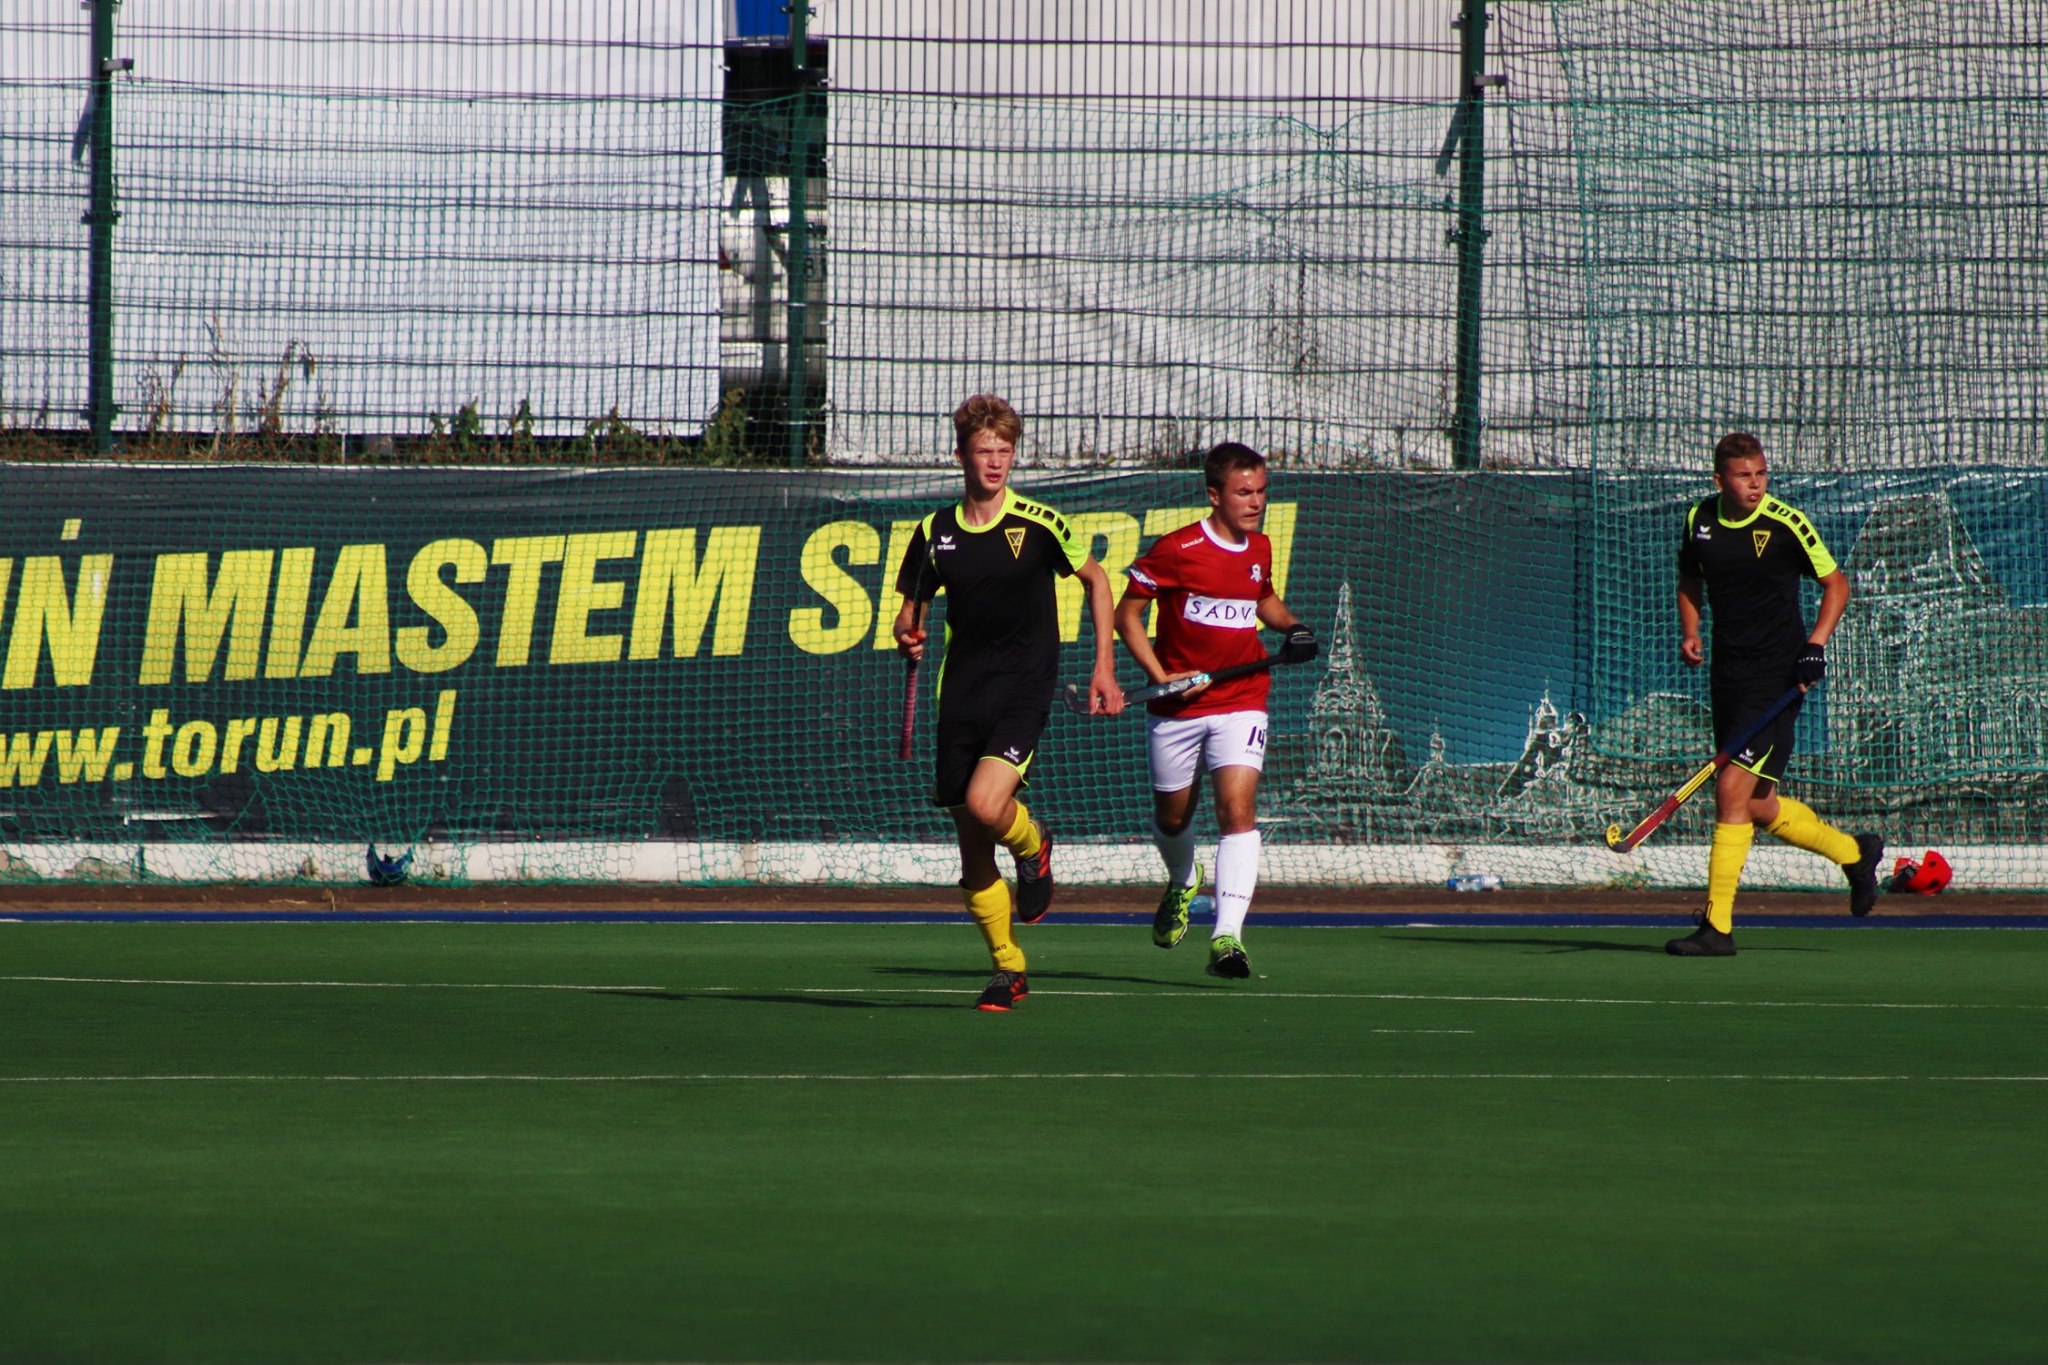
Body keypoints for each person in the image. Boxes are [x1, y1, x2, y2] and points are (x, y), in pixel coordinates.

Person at [892, 394, 1124, 1010]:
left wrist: (1103, 666)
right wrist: (907, 634)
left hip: (1024, 689)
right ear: (961, 455)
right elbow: (909, 613)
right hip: (959, 696)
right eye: (983, 450)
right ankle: (1008, 967)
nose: (995, 461)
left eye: (1004, 450)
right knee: (972, 850)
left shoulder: (1040, 523)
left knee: (986, 803)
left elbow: (1097, 580)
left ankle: (1033, 844)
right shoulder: (934, 532)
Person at [1668, 431, 1883, 957]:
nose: (1756, 484)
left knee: (1730, 790)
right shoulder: (1699, 519)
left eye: (1761, 474)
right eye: (1745, 476)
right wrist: (1691, 630)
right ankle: (1854, 853)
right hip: (1729, 677)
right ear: (1720, 480)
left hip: (1777, 680)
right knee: (1757, 804)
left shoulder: (1786, 523)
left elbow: (1837, 584)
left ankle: (1717, 928)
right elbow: (1690, 579)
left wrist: (1815, 645)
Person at [1113, 441, 1316, 979]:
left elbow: (1262, 598)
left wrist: (1293, 626)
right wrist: (1160, 677)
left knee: (1237, 812)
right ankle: (1183, 879)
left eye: (1262, 491)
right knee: (1172, 819)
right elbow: (1126, 615)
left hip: (1242, 699)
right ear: (1214, 495)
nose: (1256, 502)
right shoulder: (1177, 549)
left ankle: (1227, 937)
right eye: (1244, 492)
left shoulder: (1260, 547)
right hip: (1176, 709)